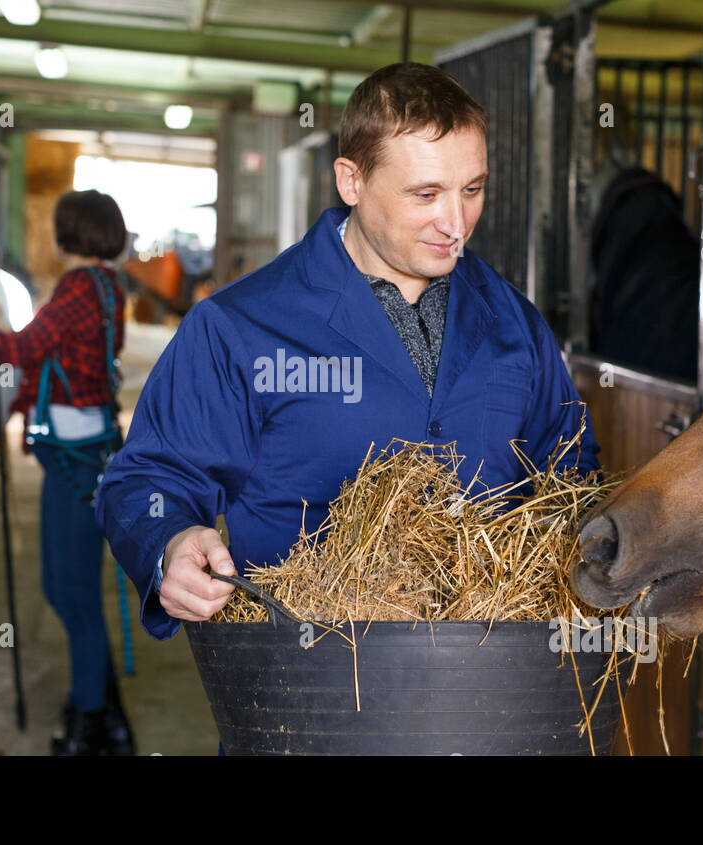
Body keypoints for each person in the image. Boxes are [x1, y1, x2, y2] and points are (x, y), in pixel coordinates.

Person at [96, 62, 601, 641]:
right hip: (308, 691)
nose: (455, 223)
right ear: (351, 181)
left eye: (473, 190)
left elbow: (573, 473)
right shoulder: (239, 327)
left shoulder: (516, 324)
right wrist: (171, 543)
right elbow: (147, 477)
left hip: (485, 697)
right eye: (426, 194)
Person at [0, 189, 135, 756]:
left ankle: (90, 721)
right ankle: (103, 705)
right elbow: (48, 348)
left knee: (70, 592)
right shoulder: (108, 287)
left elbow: (18, 349)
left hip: (75, 460)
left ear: (69, 237)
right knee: (66, 587)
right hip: (87, 450)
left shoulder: (78, 287)